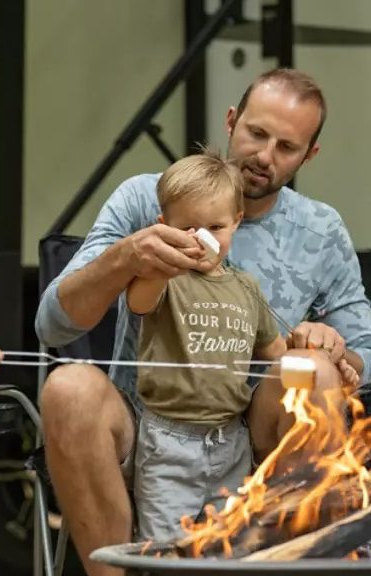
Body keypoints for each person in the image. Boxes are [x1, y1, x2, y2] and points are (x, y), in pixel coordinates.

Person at [34, 68, 371, 575]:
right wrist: (125, 258)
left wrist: (332, 348)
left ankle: (293, 564)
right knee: (68, 388)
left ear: (309, 155)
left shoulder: (319, 230)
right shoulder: (146, 197)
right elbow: (51, 326)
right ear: (231, 121)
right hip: (145, 428)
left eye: (287, 147)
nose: (265, 156)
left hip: (253, 439)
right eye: (256, 133)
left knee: (309, 370)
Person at [125, 150, 288, 541]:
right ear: (165, 227)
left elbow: (276, 353)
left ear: (237, 221)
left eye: (216, 227)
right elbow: (139, 302)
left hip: (230, 440)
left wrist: (317, 352)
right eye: (189, 229)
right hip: (169, 443)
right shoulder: (164, 278)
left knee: (228, 547)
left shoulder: (246, 287)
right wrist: (167, 261)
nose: (203, 239)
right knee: (165, 549)